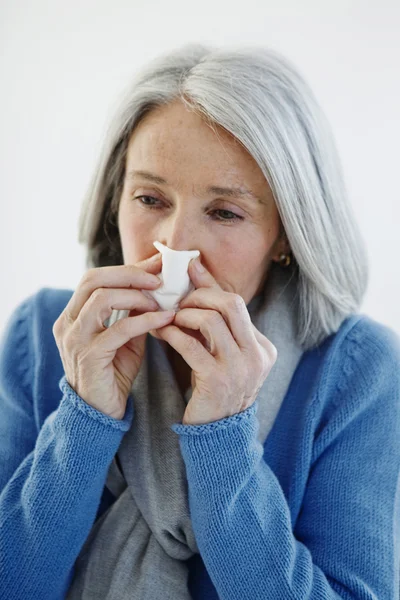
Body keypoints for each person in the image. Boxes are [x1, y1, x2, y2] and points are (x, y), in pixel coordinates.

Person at [0, 43, 399, 600]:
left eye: (224, 212)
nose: (174, 244)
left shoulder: (361, 372)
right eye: (149, 198)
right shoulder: (43, 334)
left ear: (285, 234)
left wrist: (223, 439)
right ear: (116, 199)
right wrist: (84, 418)